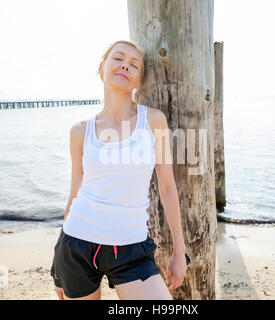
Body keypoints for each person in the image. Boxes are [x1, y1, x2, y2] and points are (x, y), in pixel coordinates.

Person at [50, 40, 187, 300]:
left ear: (138, 81)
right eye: (119, 58)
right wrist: (58, 259)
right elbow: (75, 191)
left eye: (134, 64)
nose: (126, 64)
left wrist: (179, 252)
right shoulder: (80, 131)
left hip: (131, 247)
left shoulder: (154, 121)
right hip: (76, 243)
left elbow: (168, 188)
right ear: (101, 68)